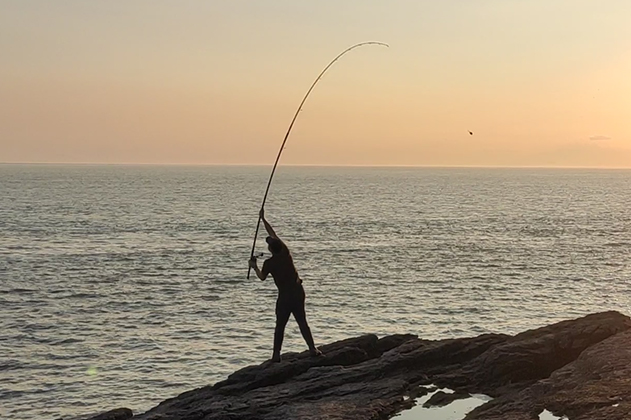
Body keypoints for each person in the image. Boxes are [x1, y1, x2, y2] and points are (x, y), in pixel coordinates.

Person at [249, 208, 323, 362]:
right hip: (297, 292)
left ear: (270, 249)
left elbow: (262, 277)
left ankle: (276, 355)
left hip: (284, 297)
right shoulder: (285, 252)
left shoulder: (269, 263)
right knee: (302, 321)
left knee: (280, 326)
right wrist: (263, 219)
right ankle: (312, 349)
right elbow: (273, 234)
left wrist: (254, 266)